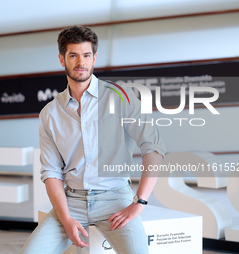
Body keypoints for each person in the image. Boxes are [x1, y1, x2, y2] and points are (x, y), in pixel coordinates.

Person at [21, 25, 166, 254]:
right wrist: (66, 218)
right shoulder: (49, 114)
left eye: (86, 55)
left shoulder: (122, 98)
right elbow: (51, 171)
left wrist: (139, 202)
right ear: (62, 59)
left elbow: (153, 147)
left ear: (94, 58)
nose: (81, 62)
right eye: (73, 55)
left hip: (115, 198)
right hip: (72, 201)